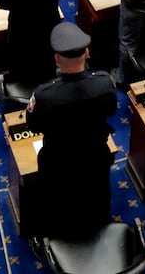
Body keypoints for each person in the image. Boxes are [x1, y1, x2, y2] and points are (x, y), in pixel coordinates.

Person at [24, 23, 117, 237]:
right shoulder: (104, 84)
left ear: (56, 58)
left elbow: (34, 125)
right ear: (87, 52)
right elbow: (111, 109)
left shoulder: (45, 95)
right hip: (95, 158)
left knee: (57, 201)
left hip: (58, 164)